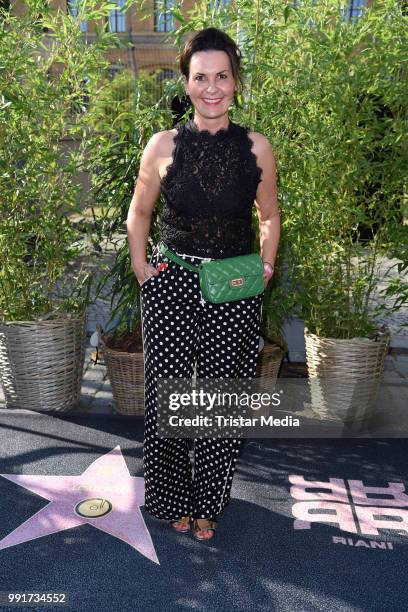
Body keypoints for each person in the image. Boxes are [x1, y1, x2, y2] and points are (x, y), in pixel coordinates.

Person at [126, 27, 280, 541]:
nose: (211, 88)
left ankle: (208, 500)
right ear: (186, 83)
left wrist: (265, 266)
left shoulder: (257, 147)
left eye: (222, 76)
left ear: (236, 82)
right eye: (200, 78)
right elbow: (139, 213)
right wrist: (141, 266)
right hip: (171, 282)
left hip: (232, 285)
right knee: (167, 395)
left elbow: (269, 217)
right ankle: (171, 495)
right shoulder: (163, 145)